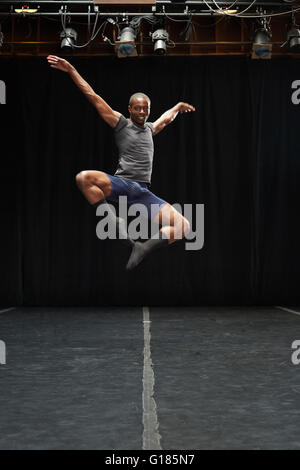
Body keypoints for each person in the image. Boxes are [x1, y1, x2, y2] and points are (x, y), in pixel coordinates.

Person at [47, 55, 195, 270]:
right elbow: (92, 95)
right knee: (84, 178)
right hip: (122, 184)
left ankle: (142, 248)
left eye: (146, 108)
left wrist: (178, 106)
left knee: (183, 226)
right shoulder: (121, 123)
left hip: (142, 193)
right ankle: (114, 221)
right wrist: (70, 69)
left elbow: (165, 118)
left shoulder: (150, 129)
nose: (142, 112)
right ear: (130, 109)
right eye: (138, 108)